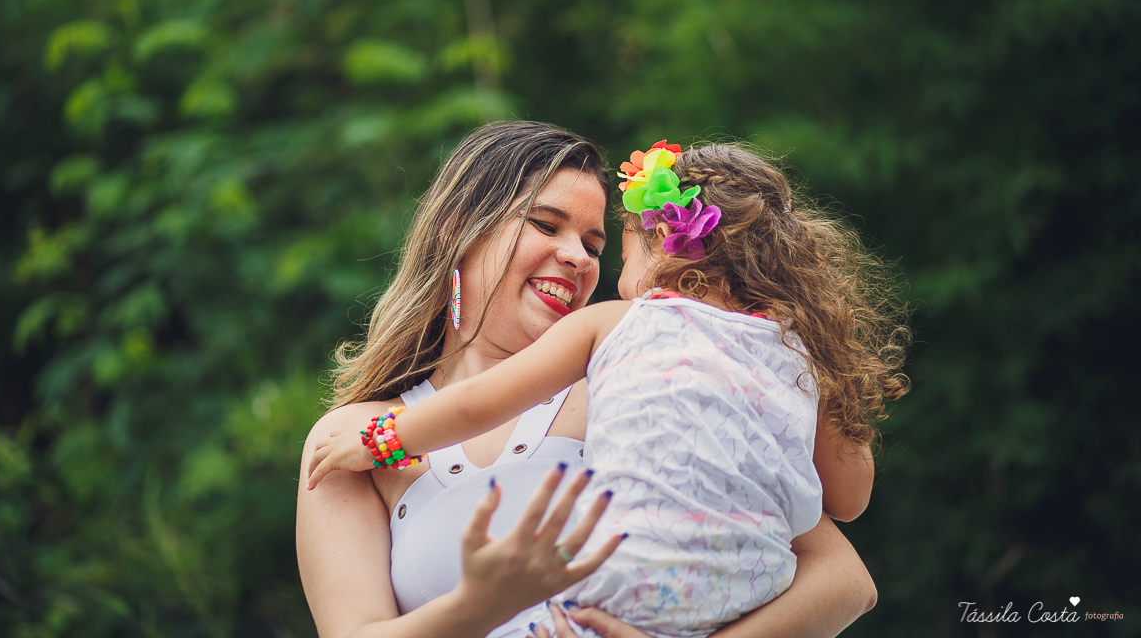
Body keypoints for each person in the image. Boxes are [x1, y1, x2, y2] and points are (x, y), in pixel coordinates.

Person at [297, 123, 884, 638]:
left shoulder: (652, 383)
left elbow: (844, 581)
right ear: (460, 229)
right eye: (546, 224)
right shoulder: (348, 439)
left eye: (595, 244)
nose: (579, 257)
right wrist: (478, 608)